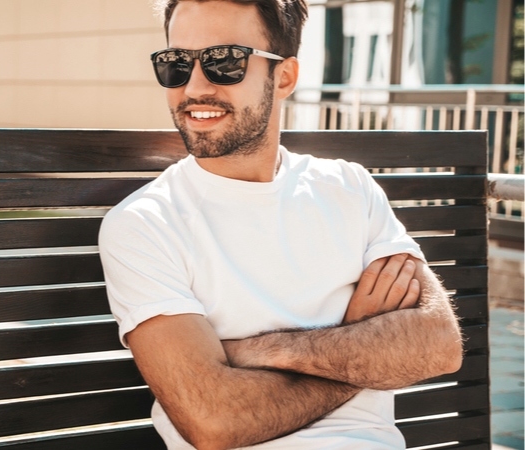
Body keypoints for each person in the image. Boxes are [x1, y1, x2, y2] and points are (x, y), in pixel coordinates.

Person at [98, 1, 463, 448]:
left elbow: (438, 344)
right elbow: (215, 422)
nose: (194, 87)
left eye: (223, 61)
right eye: (176, 64)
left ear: (284, 76)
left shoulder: (350, 187)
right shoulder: (145, 225)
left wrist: (260, 351)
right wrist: (362, 350)